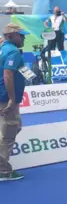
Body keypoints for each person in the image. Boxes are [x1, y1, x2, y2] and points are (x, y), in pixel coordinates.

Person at [0, 23, 29, 182]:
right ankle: (3, 170)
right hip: (6, 99)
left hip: (4, 97)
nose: (23, 37)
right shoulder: (12, 51)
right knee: (8, 134)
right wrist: (12, 98)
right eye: (20, 35)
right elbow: (8, 75)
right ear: (11, 36)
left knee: (14, 127)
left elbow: (20, 71)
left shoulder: (4, 47)